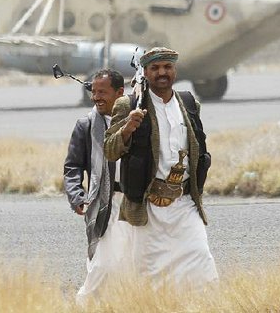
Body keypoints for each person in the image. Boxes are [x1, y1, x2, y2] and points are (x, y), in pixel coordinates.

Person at [104, 47, 218, 287]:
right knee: (152, 275)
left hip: (185, 204)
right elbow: (110, 150)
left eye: (167, 67)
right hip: (149, 206)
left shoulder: (188, 103)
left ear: (175, 70)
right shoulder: (129, 105)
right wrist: (127, 128)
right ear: (145, 72)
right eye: (155, 68)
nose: (162, 73)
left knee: (201, 266)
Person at [63, 68, 133, 302]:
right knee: (103, 262)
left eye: (102, 92)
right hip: (102, 201)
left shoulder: (136, 120)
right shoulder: (85, 125)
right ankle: (84, 304)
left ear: (120, 93)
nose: (96, 97)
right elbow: (72, 167)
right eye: (94, 92)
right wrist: (77, 196)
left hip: (135, 200)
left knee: (132, 261)